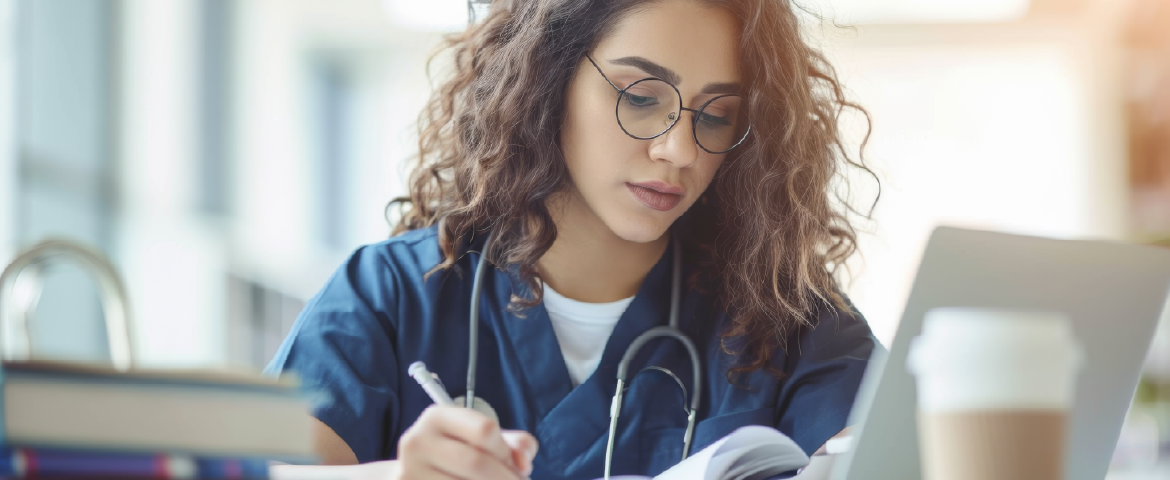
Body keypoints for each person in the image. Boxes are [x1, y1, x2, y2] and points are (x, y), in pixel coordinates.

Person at [266, 0, 882, 479]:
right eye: (641, 99)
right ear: (549, 80)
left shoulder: (799, 329)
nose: (679, 149)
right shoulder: (388, 298)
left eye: (716, 114)